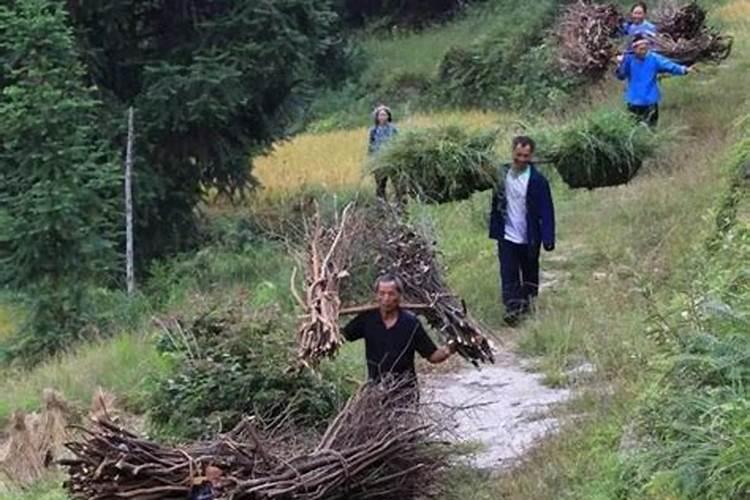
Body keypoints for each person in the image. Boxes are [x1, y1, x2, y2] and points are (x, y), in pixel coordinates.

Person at [343, 274, 457, 389]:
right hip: (376, 391)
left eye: (391, 294)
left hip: (405, 392)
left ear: (399, 296)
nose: (386, 299)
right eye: (382, 293)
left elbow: (432, 356)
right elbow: (342, 336)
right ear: (376, 296)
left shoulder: (411, 323)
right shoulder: (367, 319)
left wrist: (450, 347)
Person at [489, 136, 555, 327]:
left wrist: (548, 237)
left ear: (531, 155)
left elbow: (547, 210)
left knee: (529, 273)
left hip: (530, 236)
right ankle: (512, 309)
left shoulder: (538, 180)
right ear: (512, 152)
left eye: (526, 156)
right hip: (507, 235)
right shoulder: (501, 174)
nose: (522, 159)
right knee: (508, 273)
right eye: (518, 155)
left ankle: (527, 305)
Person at [616, 34, 694, 127]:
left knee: (651, 128)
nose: (643, 52)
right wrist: (620, 64)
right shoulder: (629, 60)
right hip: (634, 101)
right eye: (641, 49)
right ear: (634, 49)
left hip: (650, 100)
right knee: (633, 128)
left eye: (645, 49)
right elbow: (621, 76)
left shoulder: (654, 58)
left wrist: (683, 70)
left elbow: (669, 65)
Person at [367, 104, 398, 199]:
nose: (382, 117)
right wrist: (371, 161)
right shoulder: (373, 130)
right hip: (379, 160)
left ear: (388, 116)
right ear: (377, 117)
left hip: (391, 158)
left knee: (397, 183)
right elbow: (371, 146)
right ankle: (381, 206)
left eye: (384, 115)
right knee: (380, 185)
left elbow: (398, 142)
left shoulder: (393, 129)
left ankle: (400, 205)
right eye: (380, 115)